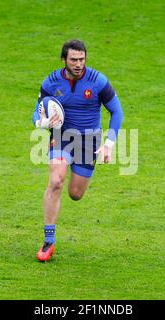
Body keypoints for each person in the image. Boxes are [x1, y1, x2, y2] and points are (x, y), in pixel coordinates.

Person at [31, 39, 123, 261]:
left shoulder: (98, 81)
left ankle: (77, 172)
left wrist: (109, 143)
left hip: (89, 141)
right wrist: (42, 123)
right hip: (61, 138)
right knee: (56, 181)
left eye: (82, 59)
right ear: (64, 60)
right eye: (73, 59)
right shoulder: (51, 82)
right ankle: (48, 242)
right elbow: (37, 111)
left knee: (75, 194)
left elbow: (117, 111)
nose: (78, 64)